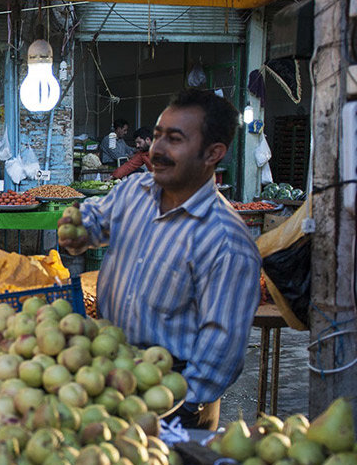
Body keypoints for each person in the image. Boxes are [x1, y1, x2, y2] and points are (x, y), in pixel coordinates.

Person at [59, 89, 261, 430]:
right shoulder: (133, 191)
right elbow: (92, 220)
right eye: (156, 136)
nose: (158, 150)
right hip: (109, 375)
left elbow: (222, 345)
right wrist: (76, 231)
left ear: (214, 153)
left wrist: (183, 406)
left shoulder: (225, 241)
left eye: (175, 139)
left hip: (175, 397)